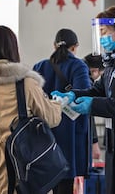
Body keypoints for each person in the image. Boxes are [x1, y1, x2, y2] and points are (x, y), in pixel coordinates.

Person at [52, 6, 115, 194]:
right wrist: (74, 94)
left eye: (105, 33)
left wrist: (93, 105)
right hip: (114, 143)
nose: (101, 39)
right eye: (99, 33)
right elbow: (99, 89)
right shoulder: (114, 60)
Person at [0, 25, 62, 194]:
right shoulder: (25, 83)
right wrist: (57, 103)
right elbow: (51, 118)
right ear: (13, 49)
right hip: (20, 162)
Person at [33, 28, 91, 194]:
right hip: (70, 136)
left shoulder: (40, 66)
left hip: (44, 136)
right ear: (75, 46)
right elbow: (83, 95)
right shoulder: (79, 66)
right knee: (65, 184)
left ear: (54, 46)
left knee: (44, 182)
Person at [83, 53, 105, 160]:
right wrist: (94, 142)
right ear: (94, 71)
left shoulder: (74, 71)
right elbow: (88, 115)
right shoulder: (86, 82)